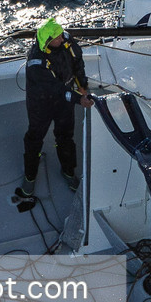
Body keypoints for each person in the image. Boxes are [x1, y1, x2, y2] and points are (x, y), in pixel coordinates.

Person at [22, 18, 93, 195]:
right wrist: (79, 99)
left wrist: (82, 85)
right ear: (48, 41)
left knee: (65, 137)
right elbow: (56, 89)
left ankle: (68, 171)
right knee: (34, 138)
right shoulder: (36, 64)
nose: (62, 39)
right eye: (58, 37)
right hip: (41, 104)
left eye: (62, 35)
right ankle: (30, 176)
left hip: (64, 102)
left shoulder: (66, 40)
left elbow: (78, 63)